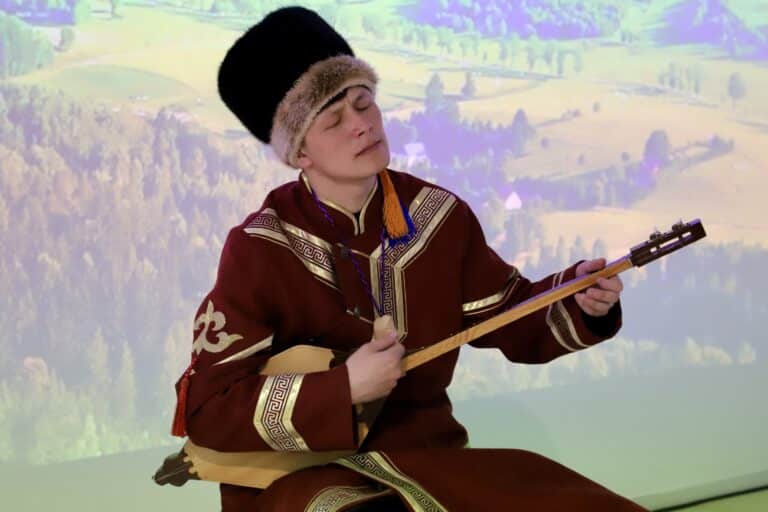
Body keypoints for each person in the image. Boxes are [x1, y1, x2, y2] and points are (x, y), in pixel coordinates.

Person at [171, 6, 647, 512]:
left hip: (427, 458)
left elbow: (511, 316)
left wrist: (579, 299)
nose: (362, 125)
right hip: (303, 480)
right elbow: (209, 409)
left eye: (364, 103)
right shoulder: (261, 247)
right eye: (334, 120)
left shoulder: (438, 217)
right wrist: (341, 389)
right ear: (300, 153)